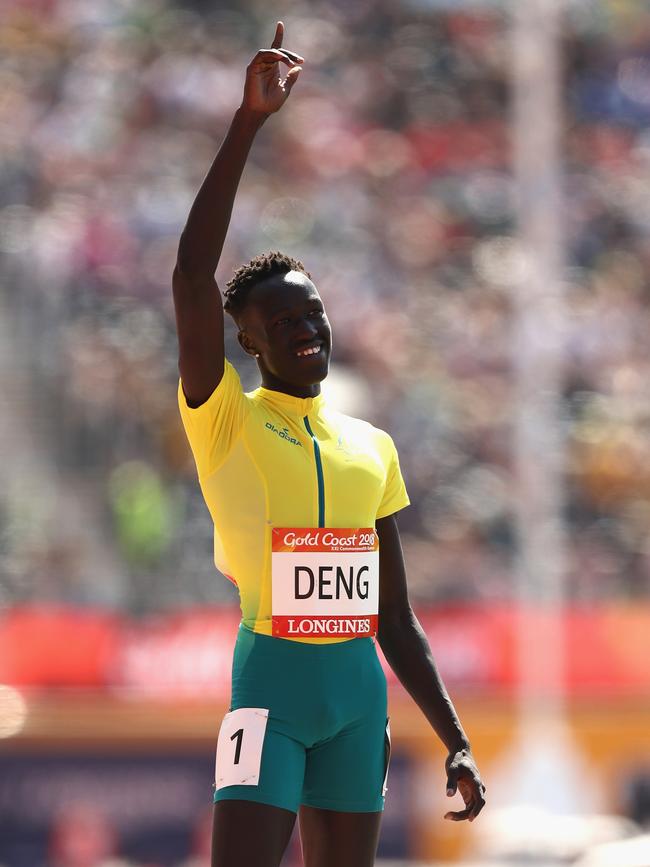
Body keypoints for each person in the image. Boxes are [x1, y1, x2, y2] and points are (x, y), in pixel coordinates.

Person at [173, 21, 486, 867]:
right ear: (250, 343)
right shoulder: (224, 416)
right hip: (269, 687)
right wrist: (248, 124)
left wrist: (454, 737)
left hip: (358, 694)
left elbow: (393, 616)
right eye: (281, 321)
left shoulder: (372, 445)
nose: (304, 328)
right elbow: (192, 277)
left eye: (311, 311)